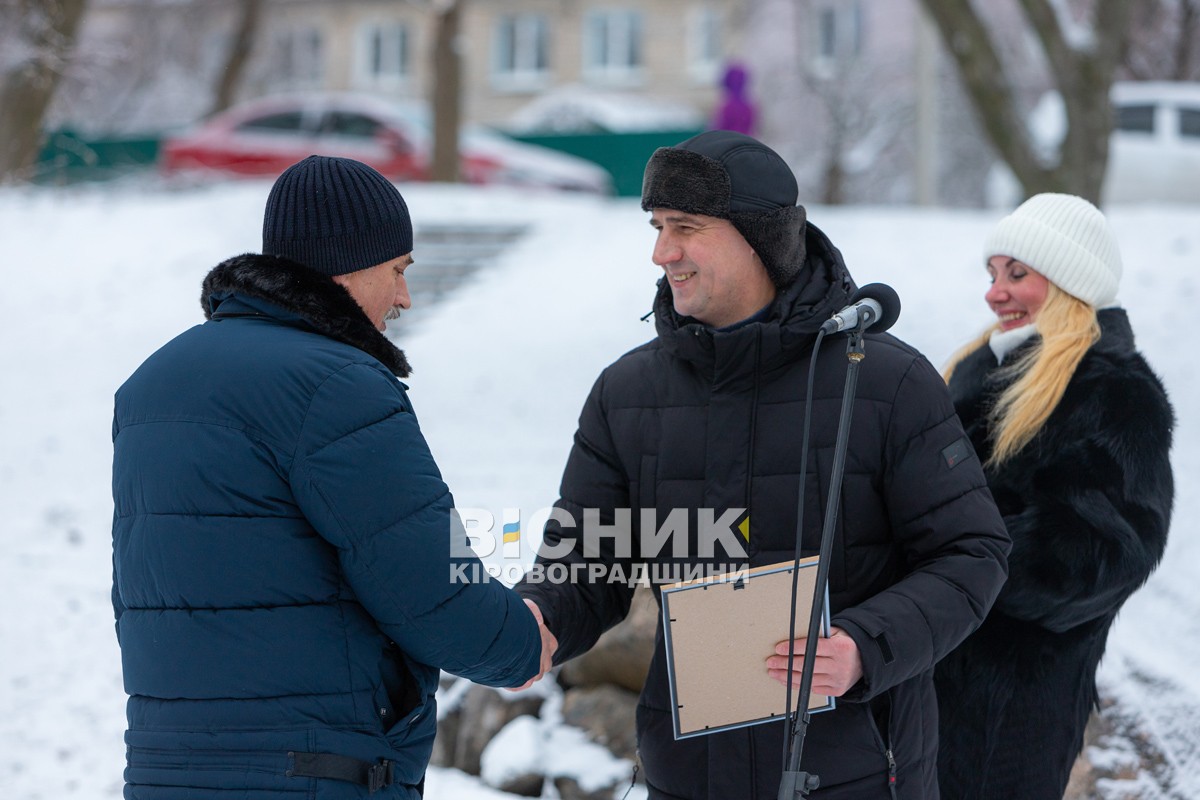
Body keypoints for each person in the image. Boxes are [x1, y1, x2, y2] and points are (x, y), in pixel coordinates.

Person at [514, 130, 1011, 799]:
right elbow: (585, 565)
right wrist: (535, 621)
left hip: (855, 774)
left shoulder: (888, 382)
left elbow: (972, 555)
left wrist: (864, 646)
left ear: (759, 239)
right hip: (686, 777)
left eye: (685, 227)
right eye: (659, 227)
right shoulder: (627, 394)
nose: (663, 252)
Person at [111, 155, 555, 799]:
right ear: (347, 262)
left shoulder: (151, 384)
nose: (404, 296)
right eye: (398, 271)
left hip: (165, 770)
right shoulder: (336, 383)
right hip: (310, 772)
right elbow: (425, 584)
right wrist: (519, 643)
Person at [934, 193, 1174, 799]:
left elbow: (1103, 554)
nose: (995, 292)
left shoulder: (1112, 390)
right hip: (926, 678)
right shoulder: (982, 371)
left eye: (1018, 274)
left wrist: (956, 565)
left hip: (1009, 708)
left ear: (1071, 283)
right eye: (993, 274)